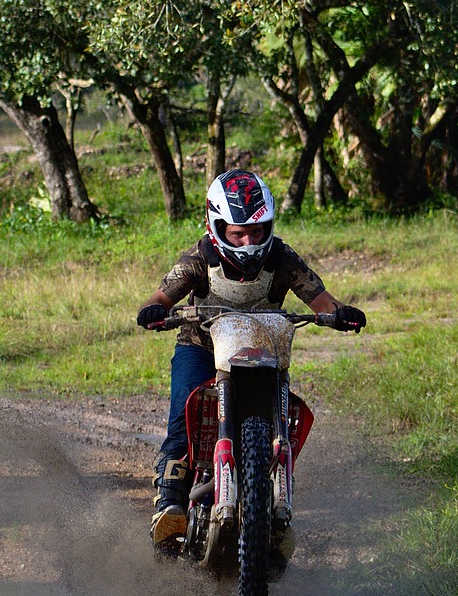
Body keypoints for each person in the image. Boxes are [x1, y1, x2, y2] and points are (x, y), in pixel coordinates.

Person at [135, 169, 366, 552]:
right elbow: (161, 297)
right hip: (202, 348)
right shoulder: (200, 257)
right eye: (238, 233)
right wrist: (153, 311)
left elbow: (320, 300)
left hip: (261, 354)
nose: (248, 241)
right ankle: (170, 504)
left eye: (256, 232)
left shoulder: (281, 257)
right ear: (216, 226)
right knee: (183, 417)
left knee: (282, 424)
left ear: (269, 226)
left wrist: (339, 313)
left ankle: (277, 505)